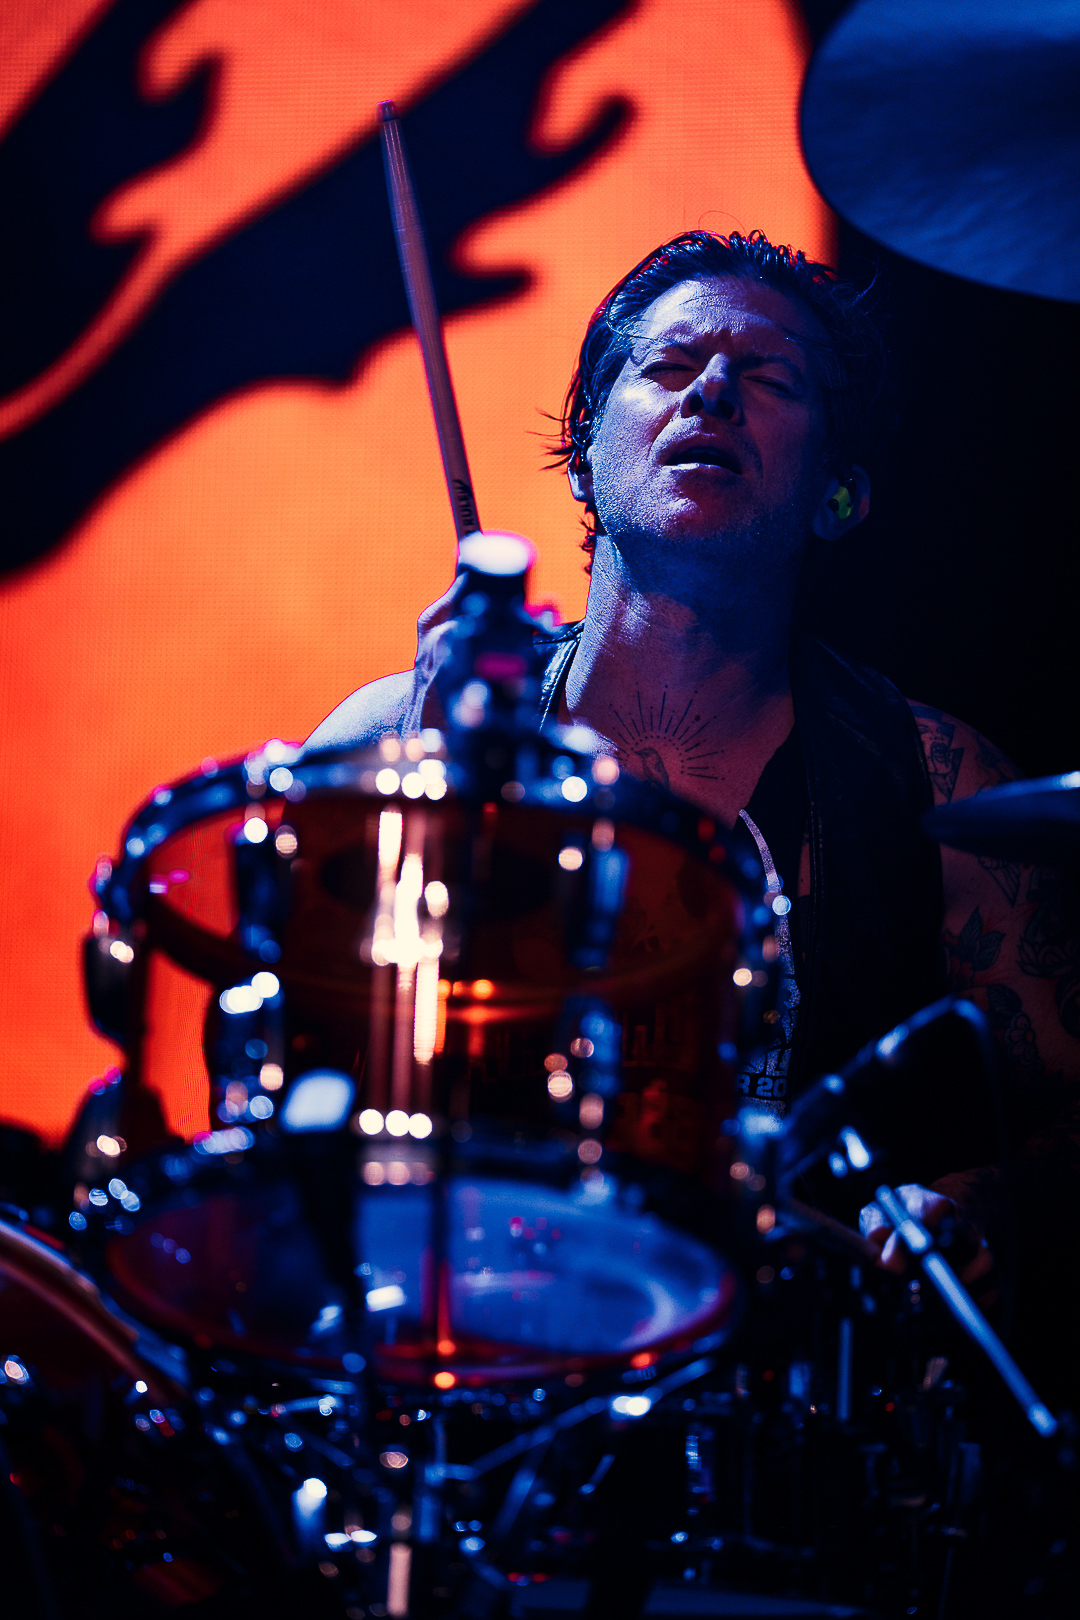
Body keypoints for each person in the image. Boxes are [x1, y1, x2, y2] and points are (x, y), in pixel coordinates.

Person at [308, 231, 1079, 1288]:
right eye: (670, 366)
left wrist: (973, 1205)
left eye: (771, 379)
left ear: (839, 493)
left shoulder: (937, 783)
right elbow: (279, 1087)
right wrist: (426, 812)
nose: (711, 390)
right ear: (585, 452)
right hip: (449, 1344)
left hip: (773, 1368)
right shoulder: (392, 736)